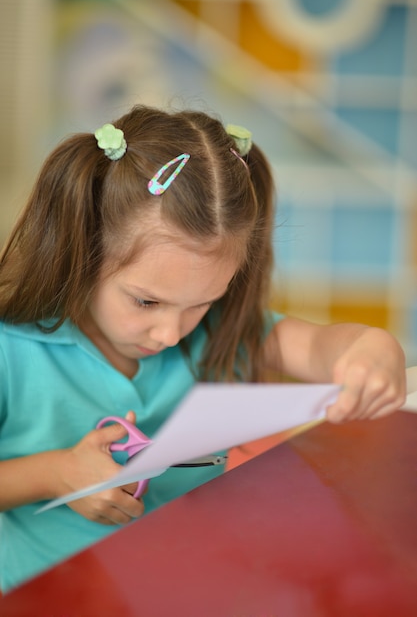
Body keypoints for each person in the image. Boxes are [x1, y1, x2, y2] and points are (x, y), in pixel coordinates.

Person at [0, 104, 406, 593]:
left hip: (186, 588)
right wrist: (53, 474)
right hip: (40, 596)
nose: (171, 334)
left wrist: (372, 348)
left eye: (203, 303)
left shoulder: (219, 332)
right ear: (80, 251)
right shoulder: (12, 348)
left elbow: (325, 345)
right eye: (146, 301)